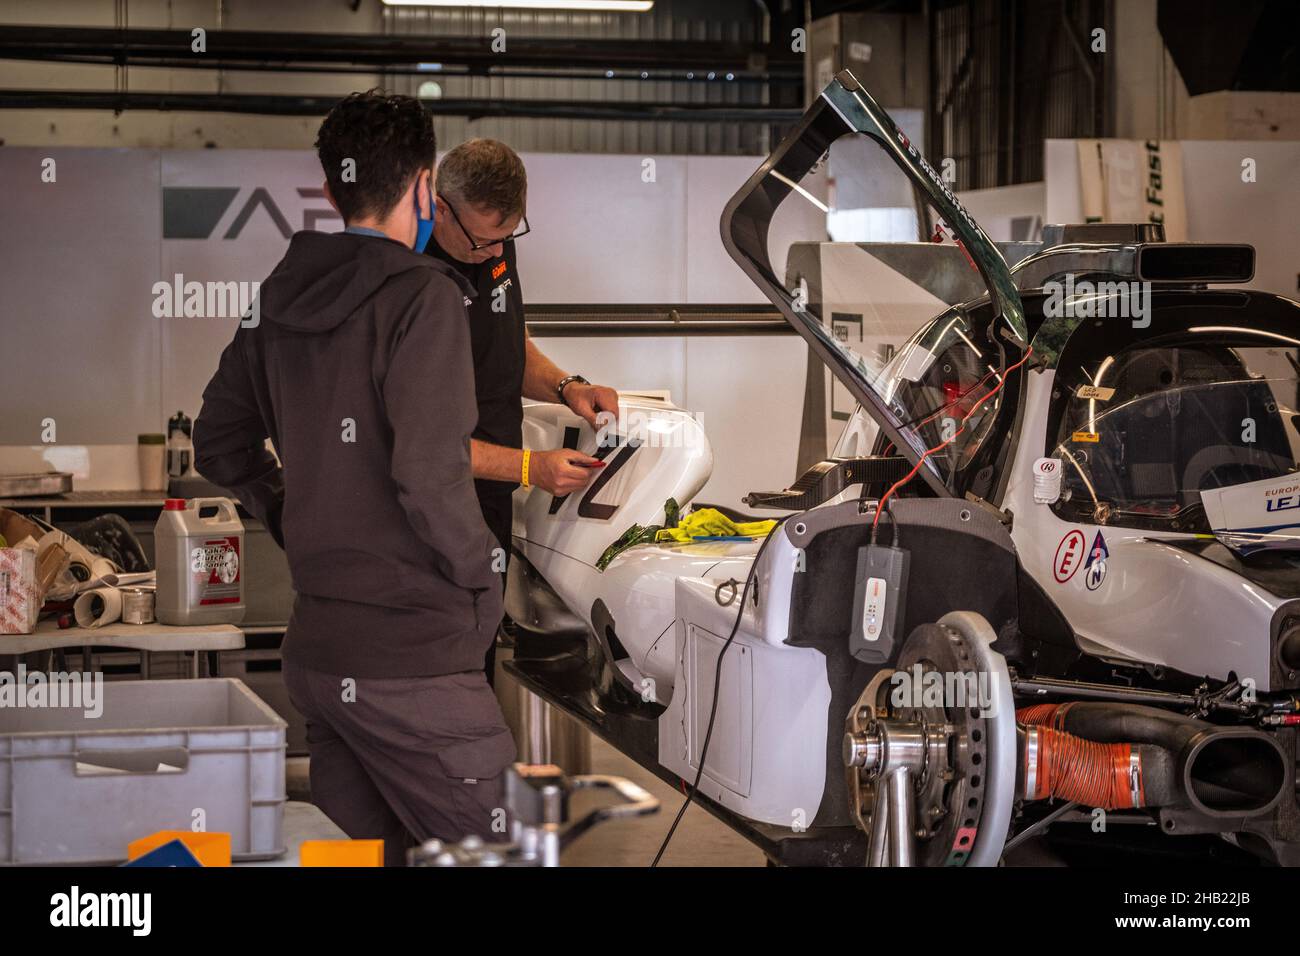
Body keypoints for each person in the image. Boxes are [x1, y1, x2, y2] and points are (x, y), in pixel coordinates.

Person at [193, 91, 514, 866]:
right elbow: (429, 473)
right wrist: (482, 583)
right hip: (414, 657)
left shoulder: (276, 299)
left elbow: (218, 440)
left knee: (357, 858)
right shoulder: (424, 297)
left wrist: (290, 514)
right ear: (423, 186)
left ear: (333, 190)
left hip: (320, 651)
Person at [424, 138, 619, 682]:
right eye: (483, 241)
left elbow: (506, 346)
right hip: (430, 514)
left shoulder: (492, 243)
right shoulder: (409, 280)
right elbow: (419, 446)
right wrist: (532, 468)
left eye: (509, 237)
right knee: (445, 674)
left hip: (487, 500)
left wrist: (567, 387)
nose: (495, 253)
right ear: (440, 207)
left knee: (479, 655)